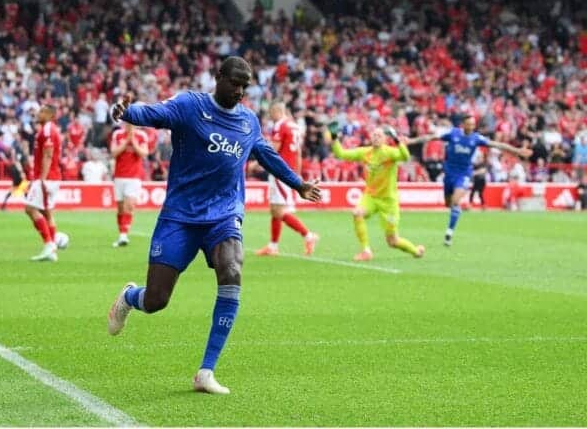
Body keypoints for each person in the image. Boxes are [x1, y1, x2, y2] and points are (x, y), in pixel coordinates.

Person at [106, 56, 321, 395]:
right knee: (158, 299)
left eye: (244, 86)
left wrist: (298, 184)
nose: (239, 91)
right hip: (180, 214)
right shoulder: (190, 105)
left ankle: (206, 371)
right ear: (218, 77)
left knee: (232, 268)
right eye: (233, 83)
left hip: (224, 214)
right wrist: (127, 113)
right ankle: (130, 298)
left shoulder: (249, 122)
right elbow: (155, 114)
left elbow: (266, 154)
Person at [410, 114, 532, 246]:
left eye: (473, 125)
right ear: (463, 124)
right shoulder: (453, 134)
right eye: (469, 124)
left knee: (456, 201)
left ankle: (449, 233)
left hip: (464, 174)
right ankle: (455, 212)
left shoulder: (476, 138)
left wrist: (517, 150)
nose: (471, 127)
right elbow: (430, 137)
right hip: (449, 173)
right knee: (448, 203)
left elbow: (497, 144)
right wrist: (410, 141)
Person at [331, 126, 425, 262]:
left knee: (392, 241)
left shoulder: (390, 153)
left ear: (385, 139)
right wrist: (334, 138)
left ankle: (416, 251)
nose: (376, 137)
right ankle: (366, 251)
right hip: (371, 196)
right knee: (357, 213)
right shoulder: (365, 152)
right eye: (374, 135)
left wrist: (399, 143)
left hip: (388, 201)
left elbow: (405, 156)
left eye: (379, 135)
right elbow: (341, 154)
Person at [255, 102, 319, 257]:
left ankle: (308, 235)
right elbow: (298, 153)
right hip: (289, 170)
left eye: (271, 114)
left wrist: (257, 162)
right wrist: (296, 174)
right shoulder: (295, 126)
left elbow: (272, 149)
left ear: (276, 111)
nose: (270, 117)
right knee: (275, 209)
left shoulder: (280, 125)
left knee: (278, 210)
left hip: (280, 170)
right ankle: (273, 246)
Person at [25, 105, 63, 262]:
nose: (38, 113)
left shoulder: (47, 129)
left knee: (30, 209)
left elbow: (48, 154)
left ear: (50, 115)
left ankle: (49, 244)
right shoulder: (48, 128)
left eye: (41, 111)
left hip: (47, 178)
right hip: (51, 177)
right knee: (47, 212)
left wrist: (42, 178)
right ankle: (51, 249)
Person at [110, 122, 149, 247]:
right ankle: (121, 233)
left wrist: (134, 141)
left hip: (134, 177)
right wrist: (127, 140)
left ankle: (123, 235)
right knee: (120, 208)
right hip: (119, 176)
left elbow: (144, 153)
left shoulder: (141, 135)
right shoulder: (118, 134)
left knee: (129, 205)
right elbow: (114, 152)